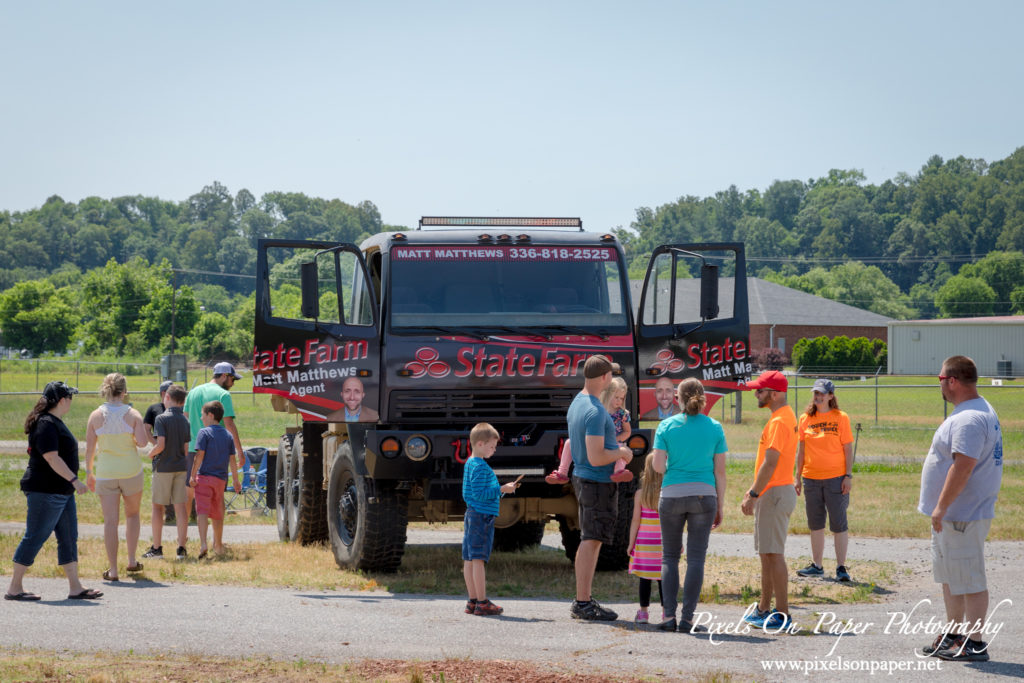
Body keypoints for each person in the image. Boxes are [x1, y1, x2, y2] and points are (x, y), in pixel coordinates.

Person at [918, 355, 1003, 663]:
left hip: (961, 515)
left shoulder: (968, 419)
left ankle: (976, 642)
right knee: (952, 577)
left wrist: (941, 507)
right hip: (955, 516)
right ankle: (955, 635)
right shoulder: (976, 410)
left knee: (970, 579)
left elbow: (963, 466)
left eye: (940, 379)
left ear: (952, 381)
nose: (939, 384)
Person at [5, 382, 103, 601]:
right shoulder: (46, 424)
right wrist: (75, 480)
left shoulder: (54, 422)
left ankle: (75, 587)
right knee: (35, 536)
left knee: (68, 537)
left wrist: (70, 484)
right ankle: (14, 587)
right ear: (62, 400)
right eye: (70, 397)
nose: (71, 401)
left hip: (61, 492)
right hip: (45, 491)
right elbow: (51, 457)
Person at [651, 378, 727, 633]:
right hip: (704, 496)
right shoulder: (715, 427)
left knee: (669, 557)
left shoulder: (666, 426)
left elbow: (658, 467)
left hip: (672, 494)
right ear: (704, 398)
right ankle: (688, 619)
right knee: (696, 559)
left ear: (677, 398)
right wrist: (721, 505)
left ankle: (668, 616)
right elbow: (720, 472)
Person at [568, 354, 634, 621]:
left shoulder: (578, 402)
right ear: (605, 377)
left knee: (591, 540)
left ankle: (584, 600)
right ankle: (582, 602)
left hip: (585, 478)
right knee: (591, 540)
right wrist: (622, 453)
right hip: (595, 480)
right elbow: (597, 456)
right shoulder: (595, 411)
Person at [740, 370, 797, 631]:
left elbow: (770, 462)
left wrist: (753, 494)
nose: (756, 394)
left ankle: (782, 613)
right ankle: (764, 608)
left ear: (774, 394)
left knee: (774, 555)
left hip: (773, 493)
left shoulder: (779, 421)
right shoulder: (781, 416)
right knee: (767, 554)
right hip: (773, 493)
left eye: (760, 391)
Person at [86, 373, 149, 582]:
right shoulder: (133, 414)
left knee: (110, 522)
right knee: (132, 515)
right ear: (124, 392)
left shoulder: (95, 416)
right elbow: (142, 443)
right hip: (130, 471)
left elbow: (90, 449)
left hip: (106, 472)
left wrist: (89, 472)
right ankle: (131, 560)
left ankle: (113, 569)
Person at [794, 378, 855, 582]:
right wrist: (797, 476)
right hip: (811, 478)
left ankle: (841, 567)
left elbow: (847, 449)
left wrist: (847, 476)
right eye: (816, 393)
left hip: (836, 479)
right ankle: (817, 565)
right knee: (816, 524)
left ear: (831, 395)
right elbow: (801, 451)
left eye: (822, 393)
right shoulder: (805, 419)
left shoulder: (841, 417)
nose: (818, 397)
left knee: (838, 523)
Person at [461, 422, 520, 616]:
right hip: (481, 516)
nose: (494, 450)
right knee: (478, 559)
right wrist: (501, 489)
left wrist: (502, 491)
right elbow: (480, 494)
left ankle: (472, 600)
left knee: (469, 558)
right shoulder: (480, 467)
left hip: (473, 514)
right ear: (479, 444)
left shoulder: (471, 463)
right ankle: (482, 601)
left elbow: (476, 493)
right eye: (491, 446)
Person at [183, 362, 245, 520]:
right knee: (216, 494)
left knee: (189, 492)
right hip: (216, 451)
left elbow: (185, 420)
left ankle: (183, 534)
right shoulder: (223, 394)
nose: (233, 384)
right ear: (224, 376)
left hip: (193, 449)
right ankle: (217, 538)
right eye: (233, 379)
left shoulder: (193, 392)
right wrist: (240, 451)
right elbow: (229, 424)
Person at [546, 376, 632, 484]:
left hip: (613, 443)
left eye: (622, 398)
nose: (619, 401)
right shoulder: (596, 409)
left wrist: (617, 439)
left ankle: (619, 472)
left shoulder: (622, 414)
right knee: (569, 442)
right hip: (594, 441)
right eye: (616, 397)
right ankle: (562, 473)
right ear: (607, 394)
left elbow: (627, 431)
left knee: (622, 450)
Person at [143, 385, 191, 561]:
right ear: (183, 401)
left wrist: (150, 453)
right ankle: (181, 549)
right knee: (181, 508)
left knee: (158, 507)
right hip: (181, 467)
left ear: (168, 398)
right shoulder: (186, 421)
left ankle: (157, 548)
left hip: (163, 468)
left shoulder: (161, 419)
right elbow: (186, 449)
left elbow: (160, 445)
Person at [189, 401, 241, 559]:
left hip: (204, 478)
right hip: (220, 481)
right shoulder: (228, 435)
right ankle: (218, 544)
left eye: (203, 414)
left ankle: (203, 543)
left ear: (210, 415)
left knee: (202, 511)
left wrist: (192, 475)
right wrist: (236, 480)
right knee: (218, 513)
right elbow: (232, 459)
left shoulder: (204, 433)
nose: (201, 417)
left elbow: (199, 456)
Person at [627, 453, 663, 625]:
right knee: (664, 578)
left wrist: (631, 543)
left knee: (645, 578)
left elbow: (635, 520)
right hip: (663, 543)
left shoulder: (640, 494)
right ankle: (666, 612)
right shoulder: (666, 494)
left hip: (644, 542)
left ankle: (643, 613)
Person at [145, 380, 177, 525]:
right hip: (160, 452)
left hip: (176, 451)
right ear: (164, 394)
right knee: (163, 484)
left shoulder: (178, 409)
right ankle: (169, 514)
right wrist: (156, 444)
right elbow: (146, 429)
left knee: (180, 482)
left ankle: (191, 512)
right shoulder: (154, 409)